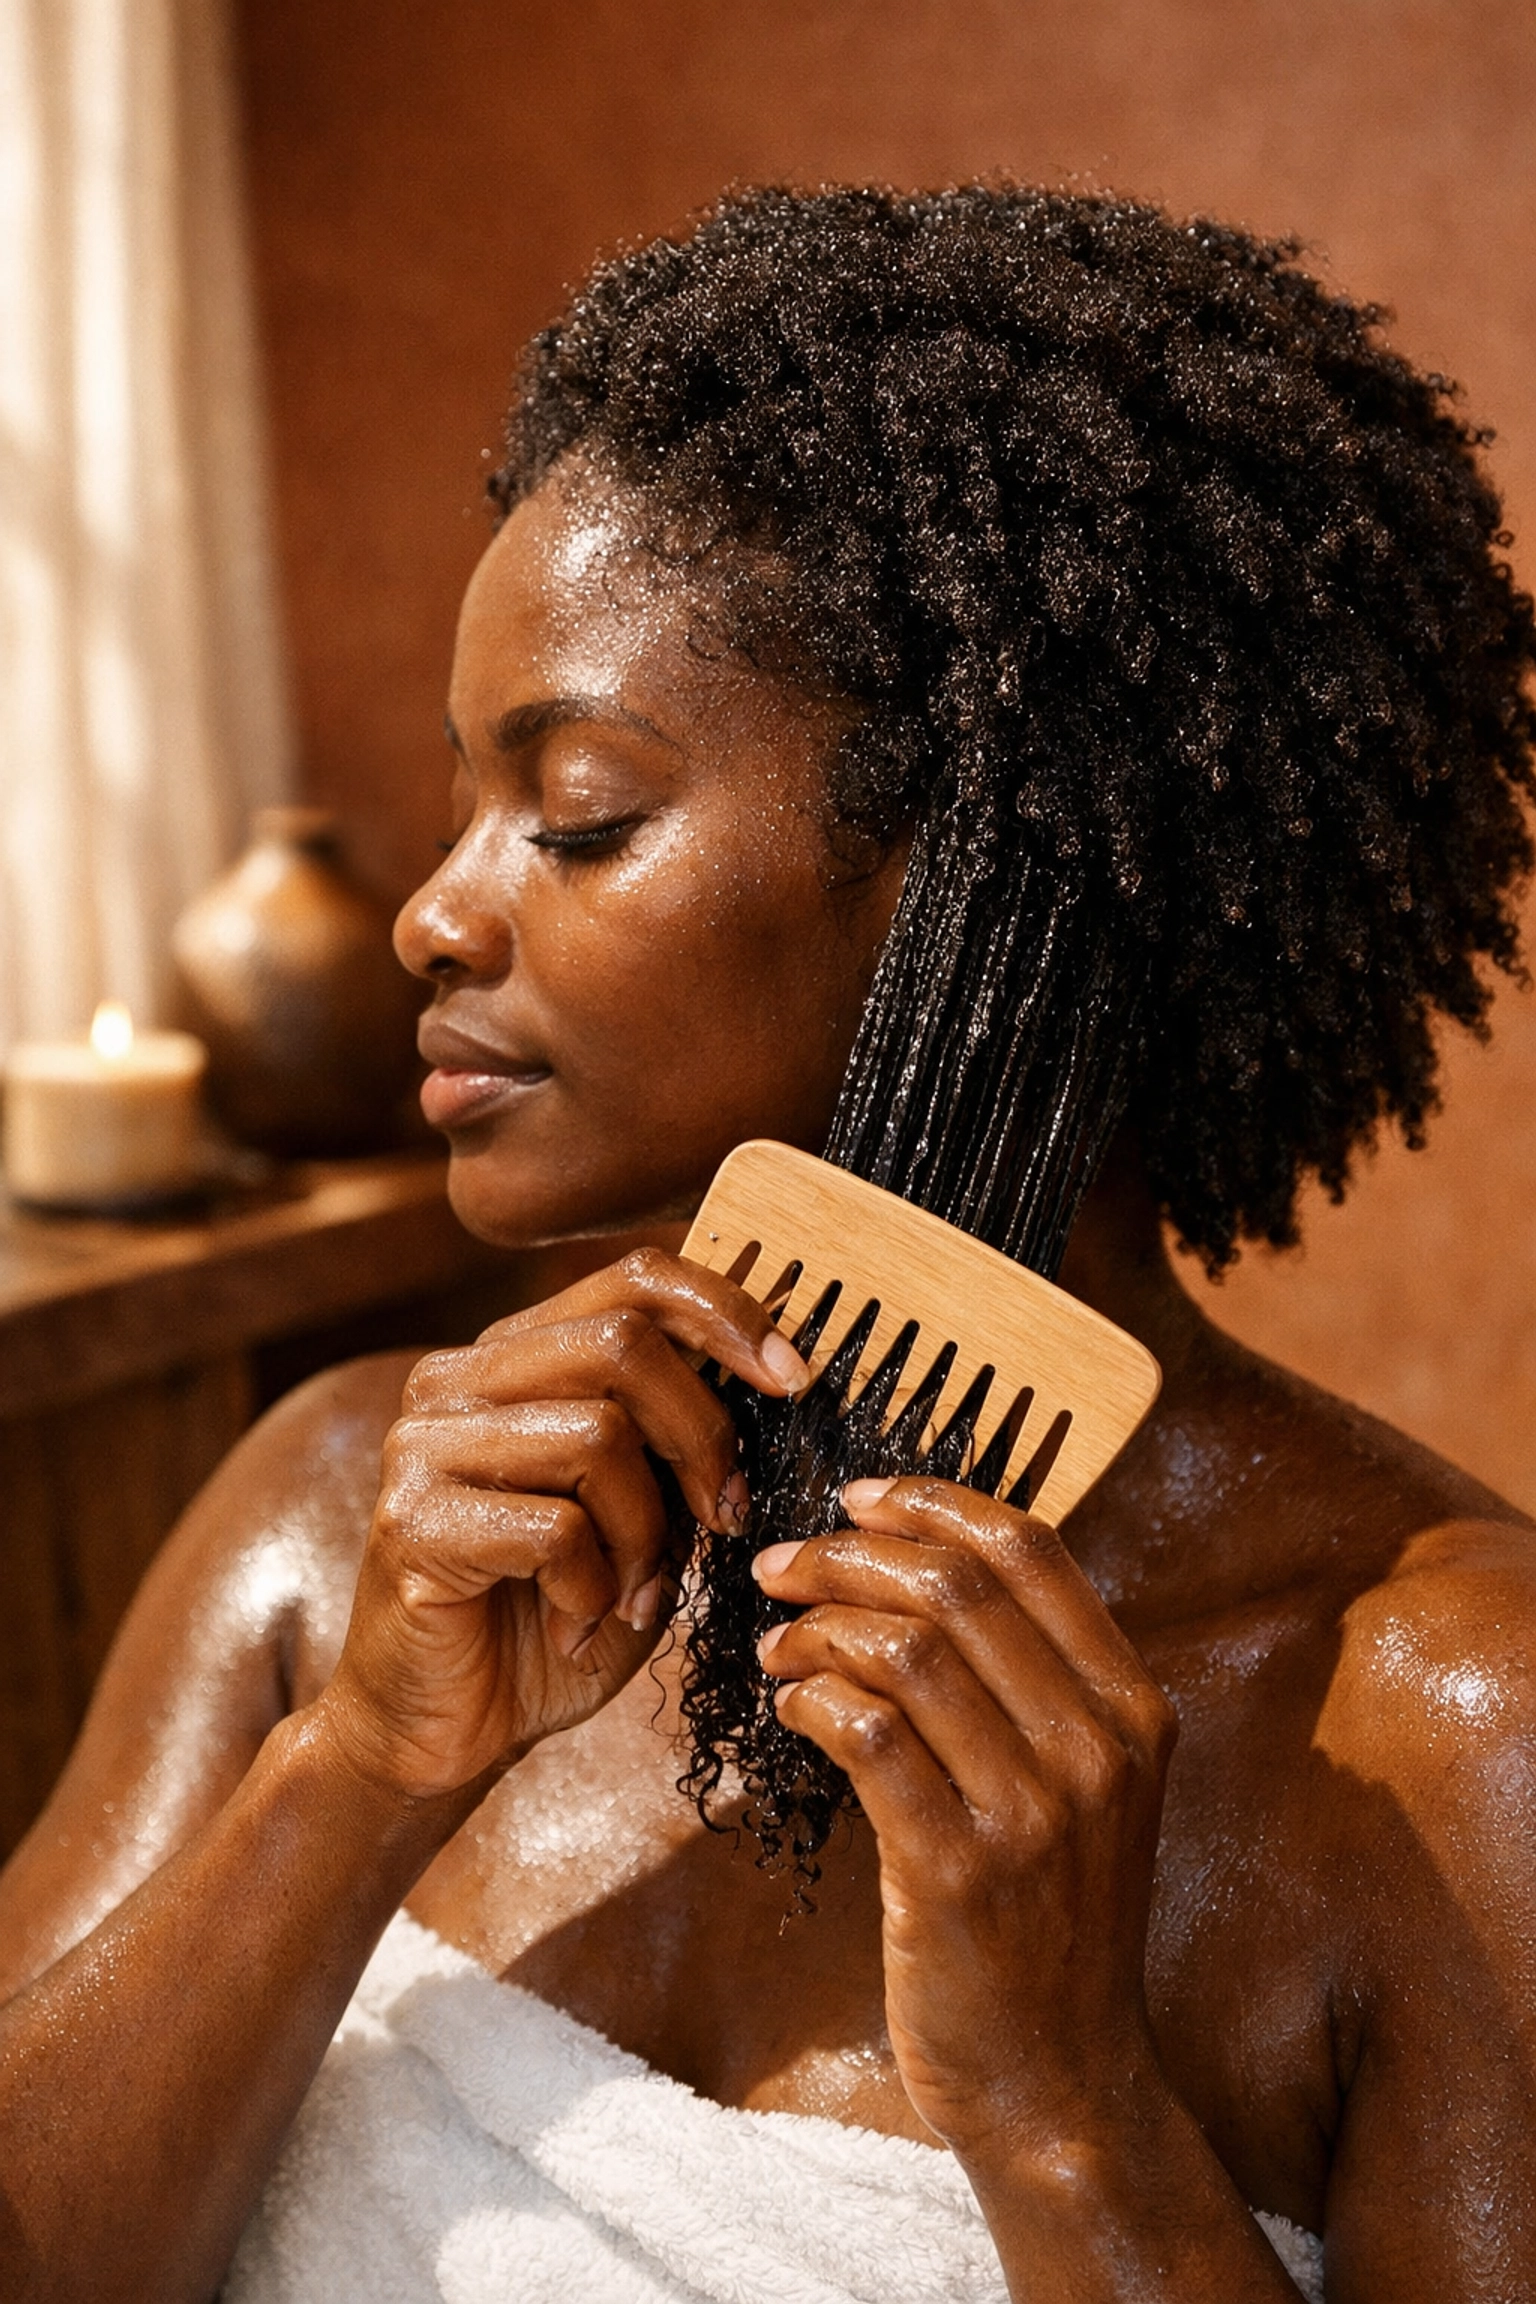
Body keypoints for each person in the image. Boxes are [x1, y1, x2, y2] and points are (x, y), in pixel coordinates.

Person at [1, 183, 1534, 2304]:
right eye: (465, 806)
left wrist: (1065, 2113)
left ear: (978, 875)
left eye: (582, 813)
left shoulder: (1453, 1751)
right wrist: (352, 1776)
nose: (435, 914)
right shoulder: (339, 1520)